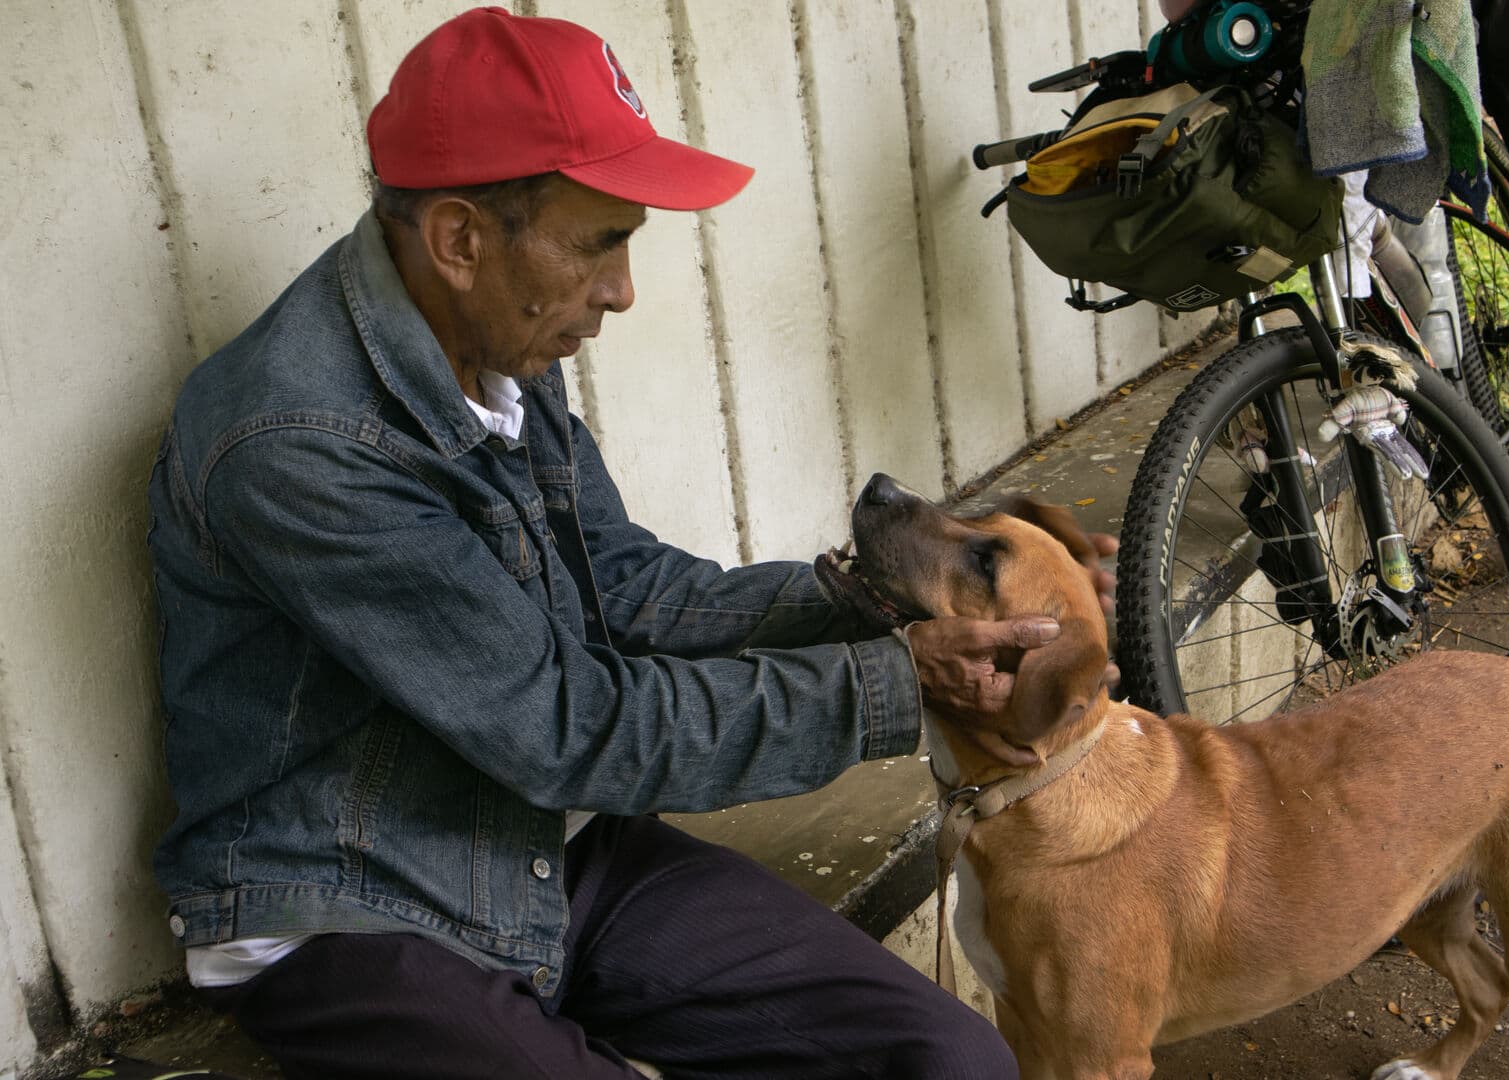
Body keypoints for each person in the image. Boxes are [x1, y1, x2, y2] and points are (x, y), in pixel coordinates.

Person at [146, 9, 1116, 1078]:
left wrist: (876, 605)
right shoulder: (299, 444)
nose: (621, 290)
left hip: (546, 846)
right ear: (461, 240)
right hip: (359, 909)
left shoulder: (495, 343)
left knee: (944, 1059)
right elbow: (567, 727)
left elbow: (623, 587)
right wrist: (886, 686)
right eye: (600, 243)